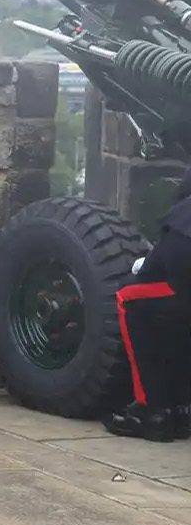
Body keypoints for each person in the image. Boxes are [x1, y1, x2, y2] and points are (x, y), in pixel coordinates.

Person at [104, 177, 191, 441]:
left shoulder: (182, 215)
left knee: (130, 297)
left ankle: (151, 410)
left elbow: (154, 268)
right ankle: (182, 407)